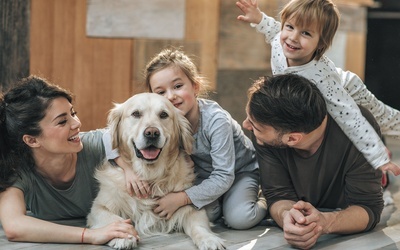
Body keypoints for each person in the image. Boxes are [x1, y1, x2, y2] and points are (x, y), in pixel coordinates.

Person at [106, 48, 267, 230]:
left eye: (177, 86)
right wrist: (128, 170)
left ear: (195, 86)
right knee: (208, 214)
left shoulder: (216, 121)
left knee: (239, 219)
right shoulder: (164, 120)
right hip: (204, 177)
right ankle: (224, 202)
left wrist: (181, 198)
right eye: (160, 92)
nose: (171, 96)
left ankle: (265, 199)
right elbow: (107, 133)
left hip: (237, 173)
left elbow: (224, 176)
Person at [236, 0, 400, 176]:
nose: (293, 37)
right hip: (320, 92)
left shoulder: (321, 78)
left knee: (385, 119)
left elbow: (352, 118)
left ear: (321, 43)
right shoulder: (281, 42)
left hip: (348, 90)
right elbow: (273, 30)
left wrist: (379, 159)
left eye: (305, 33)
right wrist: (258, 18)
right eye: (290, 26)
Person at [243, 73, 384, 249]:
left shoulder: (360, 127)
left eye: (254, 125)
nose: (245, 125)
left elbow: (368, 209)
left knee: (380, 180)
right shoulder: (265, 131)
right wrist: (288, 216)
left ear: (293, 139)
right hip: (306, 194)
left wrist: (325, 222)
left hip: (349, 194)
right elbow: (278, 195)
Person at [0, 76, 138, 245]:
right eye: (62, 121)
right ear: (32, 140)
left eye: (73, 113)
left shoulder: (99, 146)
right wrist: (90, 235)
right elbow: (14, 226)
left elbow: (124, 137)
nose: (77, 124)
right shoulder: (18, 172)